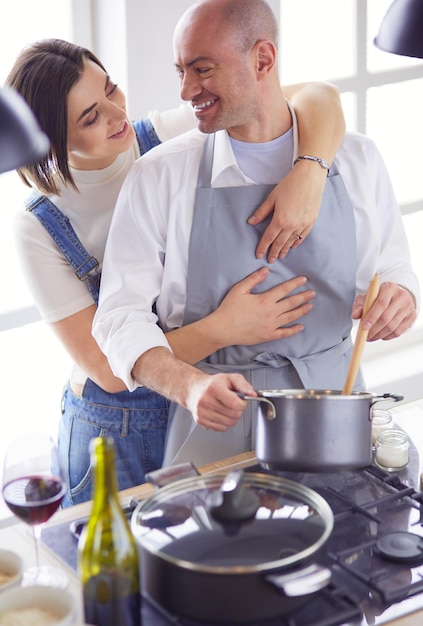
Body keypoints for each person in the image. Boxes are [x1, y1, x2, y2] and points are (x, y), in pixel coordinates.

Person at [6, 39, 346, 505]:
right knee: (121, 572)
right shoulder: (39, 226)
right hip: (117, 426)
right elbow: (109, 369)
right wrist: (226, 328)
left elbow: (319, 96)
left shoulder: (165, 137)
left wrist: (310, 172)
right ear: (50, 140)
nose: (115, 113)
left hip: (206, 397)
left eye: (111, 89)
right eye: (90, 116)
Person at [93, 0, 420, 469]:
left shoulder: (357, 159)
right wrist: (189, 385)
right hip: (215, 419)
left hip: (337, 407)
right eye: (180, 71)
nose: (186, 90)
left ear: (263, 60)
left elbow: (394, 267)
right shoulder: (160, 175)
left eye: (202, 69)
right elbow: (118, 319)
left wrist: (399, 297)